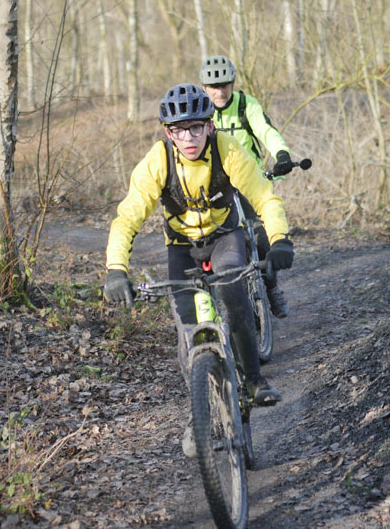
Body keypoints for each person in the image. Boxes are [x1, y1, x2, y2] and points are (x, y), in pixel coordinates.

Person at [104, 83, 294, 457]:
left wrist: (279, 239)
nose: (188, 138)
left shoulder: (228, 150)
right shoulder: (158, 161)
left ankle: (253, 381)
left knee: (232, 291)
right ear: (168, 133)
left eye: (195, 127)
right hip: (182, 248)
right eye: (179, 130)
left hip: (225, 237)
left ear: (209, 126)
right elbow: (127, 217)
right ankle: (199, 413)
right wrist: (115, 269)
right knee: (187, 331)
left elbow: (264, 197)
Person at [200, 54, 293, 319]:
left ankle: (271, 287)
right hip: (214, 186)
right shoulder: (200, 110)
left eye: (225, 85)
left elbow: (265, 131)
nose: (220, 92)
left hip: (248, 180)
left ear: (232, 83)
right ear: (204, 87)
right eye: (214, 87)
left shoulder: (245, 104)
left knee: (262, 236)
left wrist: (282, 154)